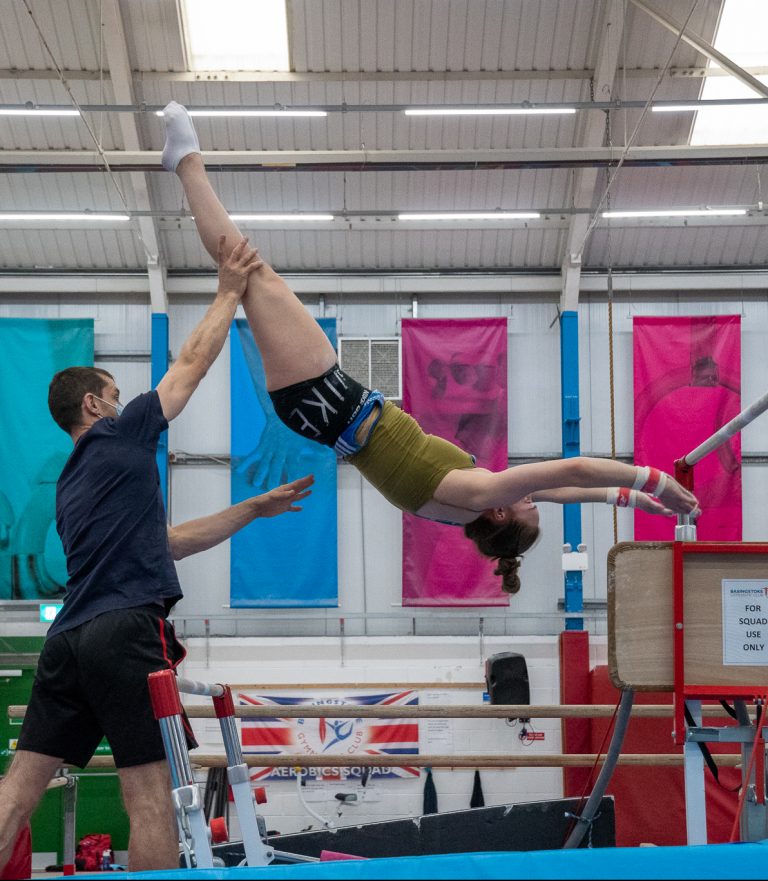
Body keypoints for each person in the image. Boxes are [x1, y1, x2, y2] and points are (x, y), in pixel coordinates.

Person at [159, 101, 700, 595]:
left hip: (324, 400)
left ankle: (187, 165)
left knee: (250, 275)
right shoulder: (464, 508)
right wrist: (633, 501)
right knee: (253, 276)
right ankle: (186, 165)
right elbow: (568, 491)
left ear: (499, 515)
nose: (532, 498)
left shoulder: (475, 492)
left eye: (526, 507)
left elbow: (572, 470)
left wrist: (656, 480)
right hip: (326, 409)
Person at [0, 237, 314, 874]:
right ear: (93, 405)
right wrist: (228, 290)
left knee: (16, 792)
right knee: (153, 801)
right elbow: (191, 366)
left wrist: (251, 508)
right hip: (123, 634)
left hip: (68, 638)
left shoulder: (71, 484)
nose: (121, 401)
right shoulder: (120, 433)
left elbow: (168, 544)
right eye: (113, 393)